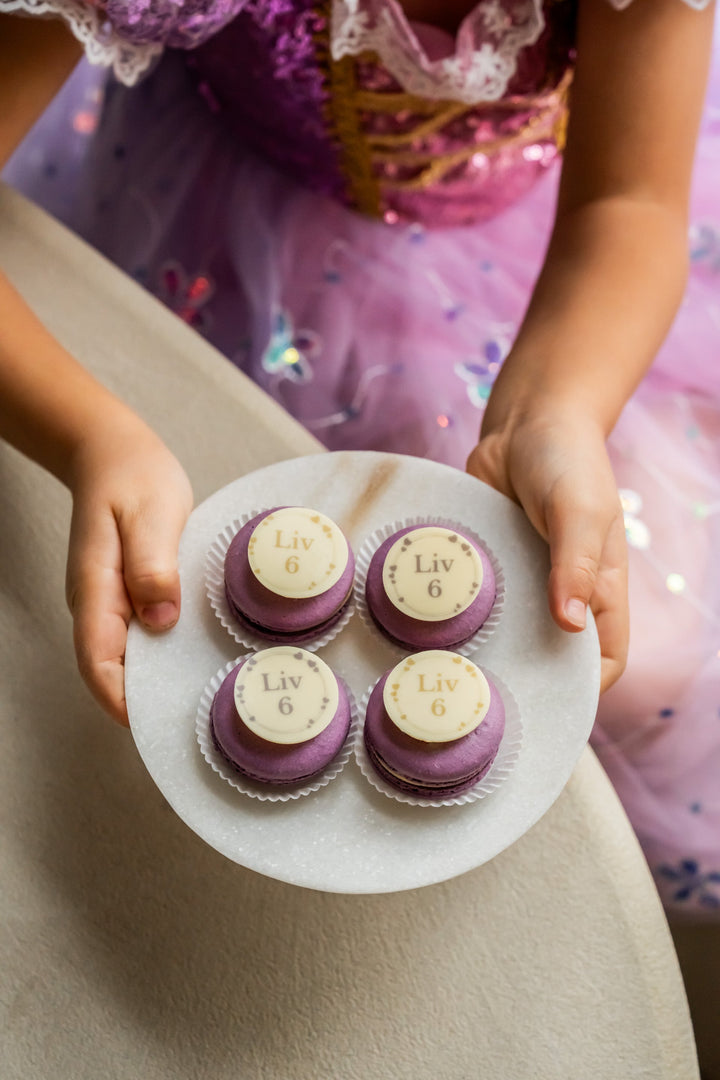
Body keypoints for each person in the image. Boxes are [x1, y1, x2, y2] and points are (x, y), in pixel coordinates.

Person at [0, 0, 718, 914]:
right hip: (220, 243)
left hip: (533, 284)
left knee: (642, 663)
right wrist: (93, 434)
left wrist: (553, 412)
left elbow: (630, 202)